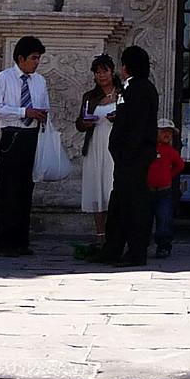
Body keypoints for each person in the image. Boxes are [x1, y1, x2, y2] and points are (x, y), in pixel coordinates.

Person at [0, 36, 50, 257]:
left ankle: (21, 240)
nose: (36, 62)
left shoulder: (39, 81)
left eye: (38, 58)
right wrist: (24, 112)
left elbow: (44, 104)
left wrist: (41, 115)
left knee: (25, 189)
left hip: (31, 136)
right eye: (33, 58)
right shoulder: (3, 78)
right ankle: (5, 242)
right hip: (12, 135)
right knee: (8, 189)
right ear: (21, 58)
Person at [99, 43, 159, 267]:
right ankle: (113, 248)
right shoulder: (145, 88)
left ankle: (134, 251)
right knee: (120, 204)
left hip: (132, 157)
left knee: (133, 205)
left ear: (126, 67)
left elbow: (135, 125)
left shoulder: (133, 89)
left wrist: (124, 152)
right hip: (134, 155)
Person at [74, 54, 119, 260]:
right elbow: (80, 123)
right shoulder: (90, 97)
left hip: (116, 146)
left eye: (105, 71)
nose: (101, 76)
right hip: (95, 145)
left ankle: (116, 235)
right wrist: (86, 123)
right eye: (98, 72)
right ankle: (100, 235)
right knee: (97, 189)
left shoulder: (122, 94)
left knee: (113, 189)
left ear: (112, 72)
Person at [147, 119, 185, 260]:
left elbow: (180, 165)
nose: (167, 135)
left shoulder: (171, 151)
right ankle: (142, 244)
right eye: (163, 131)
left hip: (164, 191)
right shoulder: (149, 149)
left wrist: (169, 176)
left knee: (164, 219)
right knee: (145, 219)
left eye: (169, 132)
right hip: (148, 190)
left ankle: (163, 246)